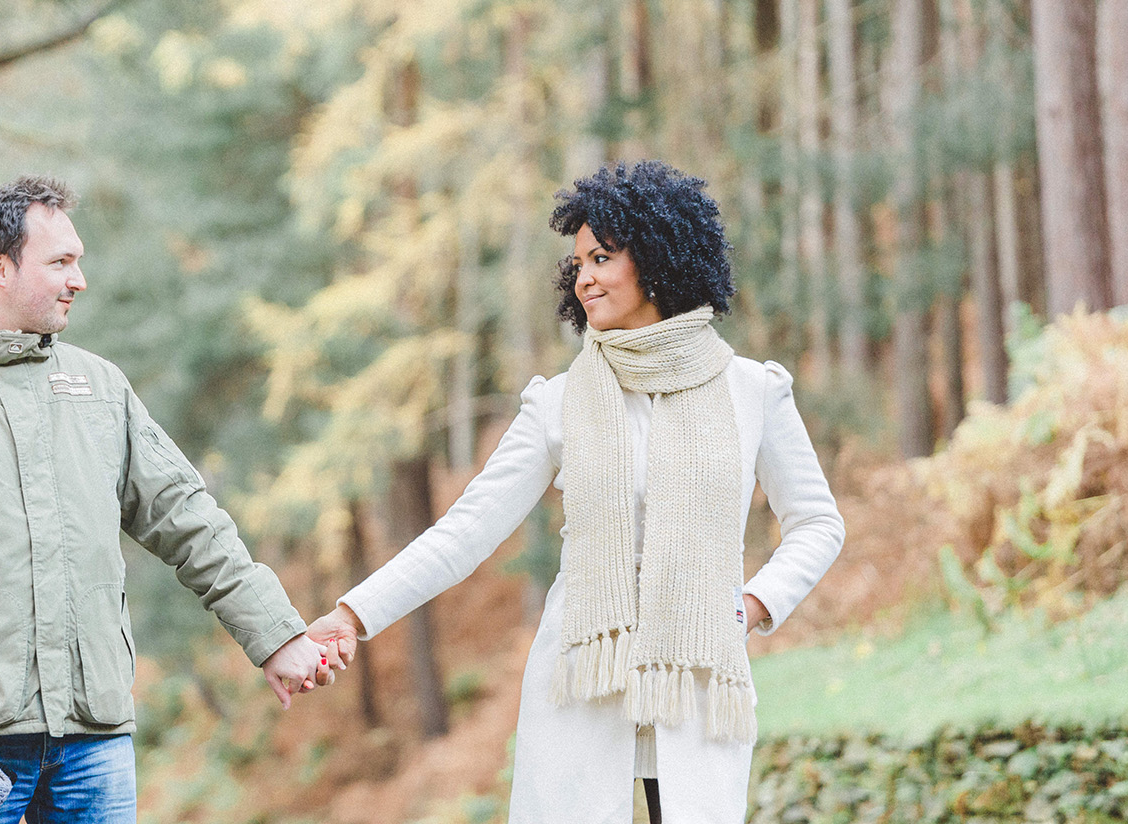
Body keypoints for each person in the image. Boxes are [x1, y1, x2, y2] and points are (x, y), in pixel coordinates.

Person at [306, 161, 845, 824]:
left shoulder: (752, 392)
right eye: (577, 263)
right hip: (582, 696)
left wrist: (752, 605)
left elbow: (818, 523)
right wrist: (353, 616)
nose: (583, 276)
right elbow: (464, 533)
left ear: (659, 256)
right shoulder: (560, 404)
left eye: (601, 257)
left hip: (700, 697)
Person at [0, 176, 336, 824]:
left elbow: (189, 521)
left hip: (95, 745)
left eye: (80, 261)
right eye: (61, 262)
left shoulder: (100, 389)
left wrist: (275, 635)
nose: (79, 279)